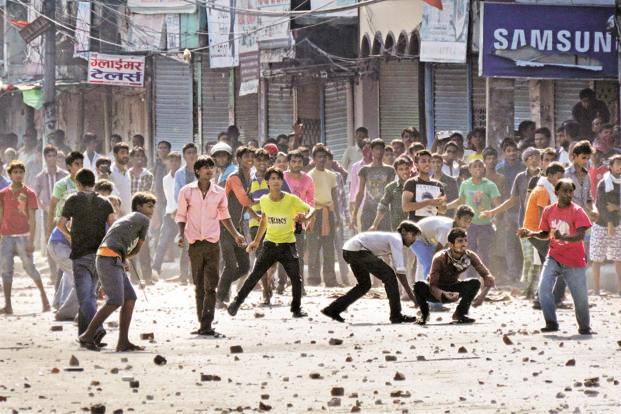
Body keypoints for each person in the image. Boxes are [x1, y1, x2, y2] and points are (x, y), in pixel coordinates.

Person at [228, 167, 314, 318]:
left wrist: (305, 218)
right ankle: (236, 303)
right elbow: (264, 221)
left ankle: (296, 309)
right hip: (269, 245)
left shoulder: (291, 199)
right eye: (272, 178)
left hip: (288, 245)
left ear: (282, 181)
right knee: (254, 275)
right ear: (267, 182)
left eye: (278, 178)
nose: (275, 181)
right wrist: (255, 241)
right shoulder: (264, 200)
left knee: (296, 278)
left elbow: (311, 209)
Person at [78, 192, 157, 351]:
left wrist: (123, 258)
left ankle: (123, 341)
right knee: (115, 300)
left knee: (130, 298)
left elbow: (112, 241)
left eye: (153, 206)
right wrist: (126, 257)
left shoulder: (126, 219)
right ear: (139, 207)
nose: (152, 210)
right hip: (110, 258)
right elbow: (138, 248)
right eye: (149, 206)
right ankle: (87, 335)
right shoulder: (143, 219)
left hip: (107, 257)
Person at [176, 156, 245, 336]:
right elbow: (181, 215)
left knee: (210, 286)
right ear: (197, 171)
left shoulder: (219, 192)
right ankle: (202, 324)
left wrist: (236, 234)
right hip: (194, 243)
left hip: (212, 243)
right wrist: (180, 234)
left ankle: (207, 324)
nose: (209, 170)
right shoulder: (187, 191)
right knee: (199, 285)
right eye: (205, 167)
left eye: (211, 167)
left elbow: (224, 215)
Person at [518, 179, 593, 335]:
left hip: (574, 260)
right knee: (543, 289)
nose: (567, 194)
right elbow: (545, 233)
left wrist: (563, 237)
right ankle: (551, 323)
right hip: (554, 256)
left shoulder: (578, 211)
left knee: (580, 298)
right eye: (564, 191)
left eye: (570, 191)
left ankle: (584, 327)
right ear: (556, 192)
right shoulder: (548, 211)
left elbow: (580, 235)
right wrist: (530, 233)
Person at [321, 221, 421, 324]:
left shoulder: (392, 239)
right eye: (413, 235)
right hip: (357, 250)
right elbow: (399, 271)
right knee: (389, 275)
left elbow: (398, 269)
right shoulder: (397, 239)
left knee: (364, 285)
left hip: (349, 251)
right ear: (404, 231)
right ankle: (396, 315)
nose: (414, 239)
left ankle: (332, 309)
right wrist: (413, 297)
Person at [57, 169, 115, 346]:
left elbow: (60, 225)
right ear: (94, 182)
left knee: (86, 297)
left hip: (81, 254)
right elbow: (114, 226)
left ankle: (96, 330)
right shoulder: (105, 202)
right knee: (90, 295)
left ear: (78, 183)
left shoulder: (73, 199)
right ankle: (86, 336)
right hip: (99, 255)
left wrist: (71, 236)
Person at [481, 147, 542, 289]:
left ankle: (539, 285)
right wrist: (493, 211)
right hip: (525, 221)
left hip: (543, 223)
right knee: (527, 255)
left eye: (537, 157)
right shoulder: (520, 177)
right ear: (525, 161)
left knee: (540, 254)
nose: (534, 160)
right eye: (530, 157)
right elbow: (512, 200)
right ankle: (528, 287)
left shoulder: (545, 177)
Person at [414, 228, 496, 325]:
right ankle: (424, 314)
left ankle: (459, 314)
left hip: (454, 288)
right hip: (437, 291)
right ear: (451, 244)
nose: (464, 244)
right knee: (418, 285)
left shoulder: (470, 256)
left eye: (465, 240)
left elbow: (487, 275)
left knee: (474, 282)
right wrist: (444, 293)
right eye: (460, 241)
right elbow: (432, 285)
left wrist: (482, 296)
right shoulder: (440, 257)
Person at [0, 160, 50, 314]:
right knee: (6, 270)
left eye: (20, 172)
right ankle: (8, 305)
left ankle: (44, 299)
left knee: (30, 268)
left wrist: (31, 240)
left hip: (23, 236)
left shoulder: (29, 193)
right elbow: (0, 216)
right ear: (10, 174)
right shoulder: (3, 194)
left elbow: (32, 219)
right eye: (15, 172)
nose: (18, 175)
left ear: (24, 174)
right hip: (6, 236)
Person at [248, 148, 290, 305]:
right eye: (258, 160)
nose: (261, 163)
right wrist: (256, 216)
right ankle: (266, 292)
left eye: (264, 160)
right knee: (261, 258)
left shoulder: (275, 178)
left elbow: (287, 197)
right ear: (254, 162)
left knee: (274, 260)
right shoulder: (249, 180)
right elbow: (246, 202)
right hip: (255, 224)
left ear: (269, 162)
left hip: (275, 223)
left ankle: (270, 277)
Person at [217, 146, 257, 305]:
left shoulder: (249, 177)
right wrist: (267, 200)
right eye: (246, 156)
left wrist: (257, 216)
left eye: (251, 156)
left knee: (245, 266)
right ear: (238, 160)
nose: (249, 159)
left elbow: (246, 205)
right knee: (230, 265)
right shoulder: (234, 177)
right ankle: (219, 297)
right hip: (225, 225)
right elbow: (244, 200)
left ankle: (220, 288)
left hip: (238, 227)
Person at [522, 162, 567, 302]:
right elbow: (544, 216)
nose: (561, 180)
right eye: (558, 177)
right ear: (550, 176)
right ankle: (551, 297)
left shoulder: (546, 188)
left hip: (537, 232)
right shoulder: (543, 191)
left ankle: (542, 298)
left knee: (549, 265)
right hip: (537, 233)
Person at [447, 159, 501, 273]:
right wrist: (446, 207)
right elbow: (460, 202)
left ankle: (485, 278)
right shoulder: (465, 184)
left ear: (484, 169)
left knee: (484, 252)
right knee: (468, 251)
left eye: (480, 166)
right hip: (469, 225)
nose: (478, 169)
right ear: (470, 170)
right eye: (475, 166)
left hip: (485, 224)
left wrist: (493, 216)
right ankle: (470, 279)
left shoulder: (490, 185)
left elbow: (498, 206)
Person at [409, 205, 475, 282]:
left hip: (429, 239)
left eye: (469, 222)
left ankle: (420, 286)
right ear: (457, 219)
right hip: (414, 237)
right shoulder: (446, 229)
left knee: (426, 262)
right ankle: (427, 287)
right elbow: (437, 253)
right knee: (429, 262)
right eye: (465, 221)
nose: (466, 225)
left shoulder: (459, 230)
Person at [307, 144, 341, 287]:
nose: (322, 159)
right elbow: (307, 197)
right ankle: (313, 279)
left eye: (324, 157)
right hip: (314, 213)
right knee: (314, 246)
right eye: (319, 156)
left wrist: (337, 216)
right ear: (314, 158)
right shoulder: (309, 176)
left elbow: (334, 196)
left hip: (328, 213)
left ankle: (330, 280)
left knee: (329, 247)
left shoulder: (332, 175)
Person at [33, 145, 68, 285]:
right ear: (45, 158)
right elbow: (35, 196)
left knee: (65, 240)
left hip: (63, 214)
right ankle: (53, 274)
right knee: (50, 241)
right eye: (49, 156)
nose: (52, 158)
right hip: (48, 214)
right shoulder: (40, 176)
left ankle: (63, 273)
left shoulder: (64, 174)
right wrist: (44, 206)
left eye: (54, 155)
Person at [152, 152, 189, 282]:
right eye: (171, 160)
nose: (174, 163)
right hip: (169, 214)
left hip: (183, 214)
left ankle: (185, 274)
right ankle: (155, 269)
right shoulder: (165, 179)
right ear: (167, 162)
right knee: (163, 242)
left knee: (185, 243)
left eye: (176, 161)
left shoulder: (184, 176)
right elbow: (167, 198)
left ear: (180, 162)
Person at [283, 150, 315, 291]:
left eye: (299, 161)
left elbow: (311, 201)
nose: (296, 164)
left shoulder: (308, 179)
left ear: (303, 163)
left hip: (298, 222)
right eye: (293, 161)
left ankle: (299, 286)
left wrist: (309, 219)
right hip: (281, 220)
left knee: (298, 254)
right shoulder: (282, 177)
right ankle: (281, 283)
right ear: (288, 163)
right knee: (280, 253)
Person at [590, 155, 621, 295]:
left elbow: (613, 206)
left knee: (619, 257)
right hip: (601, 224)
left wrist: (617, 207)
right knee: (597, 258)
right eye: (618, 163)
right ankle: (596, 289)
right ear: (611, 166)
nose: (620, 166)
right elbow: (601, 205)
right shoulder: (604, 183)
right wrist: (609, 222)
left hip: (618, 223)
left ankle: (620, 288)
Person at [352, 138, 395, 232]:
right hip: (368, 211)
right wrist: (354, 214)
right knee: (366, 242)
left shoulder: (390, 170)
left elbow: (391, 193)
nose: (379, 151)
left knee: (384, 243)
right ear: (371, 151)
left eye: (381, 149)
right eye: (376, 149)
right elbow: (360, 193)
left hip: (384, 212)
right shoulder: (364, 170)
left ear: (384, 150)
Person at [128, 147, 154, 284]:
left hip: (142, 215)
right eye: (136, 155)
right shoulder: (127, 174)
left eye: (141, 155)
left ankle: (148, 277)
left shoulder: (147, 175)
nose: (139, 158)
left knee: (144, 246)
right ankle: (134, 277)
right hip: (128, 214)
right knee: (130, 246)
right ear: (131, 158)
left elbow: (146, 194)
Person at [370, 156, 413, 232]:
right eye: (401, 169)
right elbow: (382, 206)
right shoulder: (391, 188)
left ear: (410, 169)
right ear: (396, 171)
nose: (405, 172)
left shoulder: (416, 185)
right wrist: (375, 225)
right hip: (398, 227)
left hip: (416, 226)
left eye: (406, 168)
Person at [402, 150, 446, 222]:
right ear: (416, 164)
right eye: (423, 161)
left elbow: (443, 210)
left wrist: (439, 205)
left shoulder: (439, 185)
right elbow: (405, 207)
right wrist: (429, 202)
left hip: (433, 226)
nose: (427, 164)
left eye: (429, 161)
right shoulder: (411, 183)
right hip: (415, 227)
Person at [430, 153, 459, 217]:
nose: (436, 164)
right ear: (430, 164)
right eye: (433, 162)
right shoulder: (427, 182)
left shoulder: (451, 181)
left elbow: (456, 201)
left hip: (448, 217)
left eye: (438, 162)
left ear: (442, 163)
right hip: (432, 218)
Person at [109, 142, 132, 216]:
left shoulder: (127, 171)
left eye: (127, 153)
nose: (125, 155)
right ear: (115, 155)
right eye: (122, 153)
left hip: (128, 213)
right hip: (116, 214)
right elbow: (110, 195)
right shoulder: (110, 172)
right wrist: (119, 210)